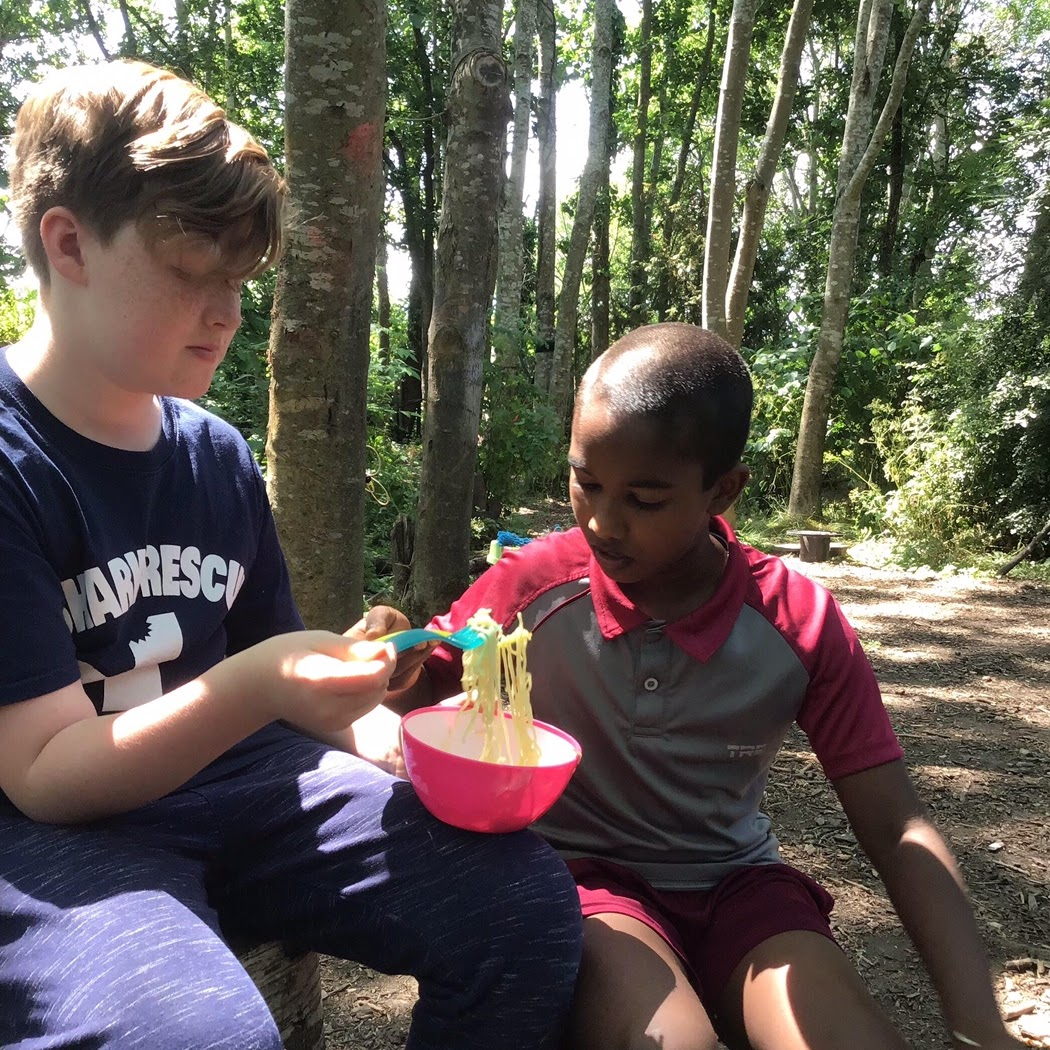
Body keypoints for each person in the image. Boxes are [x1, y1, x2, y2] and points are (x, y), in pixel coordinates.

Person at [0, 59, 582, 1050]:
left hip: (249, 793)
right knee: (197, 1037)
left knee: (519, 906)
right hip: (56, 844)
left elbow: (286, 683)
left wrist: (382, 735)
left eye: (240, 281)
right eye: (194, 275)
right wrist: (260, 686)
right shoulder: (15, 463)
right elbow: (44, 772)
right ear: (69, 245)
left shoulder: (215, 458)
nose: (229, 313)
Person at [368, 323, 1025, 1050]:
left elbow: (897, 827)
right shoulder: (534, 586)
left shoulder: (796, 622)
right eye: (586, 483)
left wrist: (979, 1027)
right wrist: (391, 652)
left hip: (740, 888)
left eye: (645, 500)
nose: (602, 523)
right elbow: (425, 688)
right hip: (586, 886)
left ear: (723, 489)